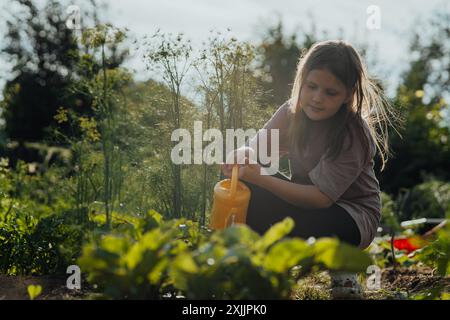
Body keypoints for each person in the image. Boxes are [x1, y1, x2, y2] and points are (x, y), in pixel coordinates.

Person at [221, 40, 397, 298]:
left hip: (349, 218)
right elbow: (255, 151)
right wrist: (240, 156)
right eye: (311, 86)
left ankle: (342, 269)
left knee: (267, 191)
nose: (317, 98)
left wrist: (262, 179)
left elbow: (321, 198)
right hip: (303, 204)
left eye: (330, 92)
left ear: (348, 94)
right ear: (300, 80)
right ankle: (255, 273)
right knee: (243, 180)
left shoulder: (353, 132)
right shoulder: (291, 113)